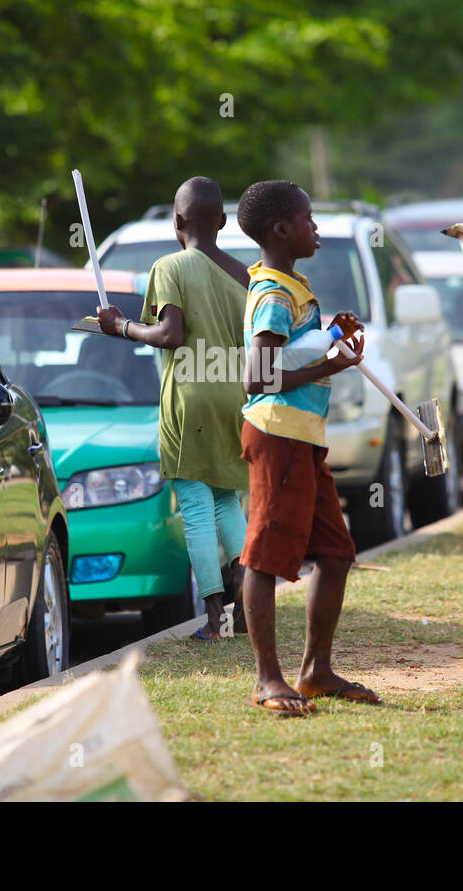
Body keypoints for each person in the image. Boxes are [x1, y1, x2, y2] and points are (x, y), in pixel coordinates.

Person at [234, 179, 373, 715]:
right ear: (281, 229)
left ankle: (315, 672)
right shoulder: (270, 292)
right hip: (277, 435)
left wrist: (327, 333)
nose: (316, 228)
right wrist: (329, 365)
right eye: (309, 220)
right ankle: (268, 679)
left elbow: (290, 351)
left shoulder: (294, 285)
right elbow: (258, 376)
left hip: (305, 438)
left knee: (335, 553)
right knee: (266, 556)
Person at [97, 177, 251, 641]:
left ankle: (212, 617)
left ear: (177, 223)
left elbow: (170, 334)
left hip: (189, 401)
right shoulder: (245, 274)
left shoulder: (170, 267)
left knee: (198, 511)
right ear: (223, 222)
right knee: (226, 499)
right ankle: (247, 602)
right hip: (236, 396)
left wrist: (121, 327)